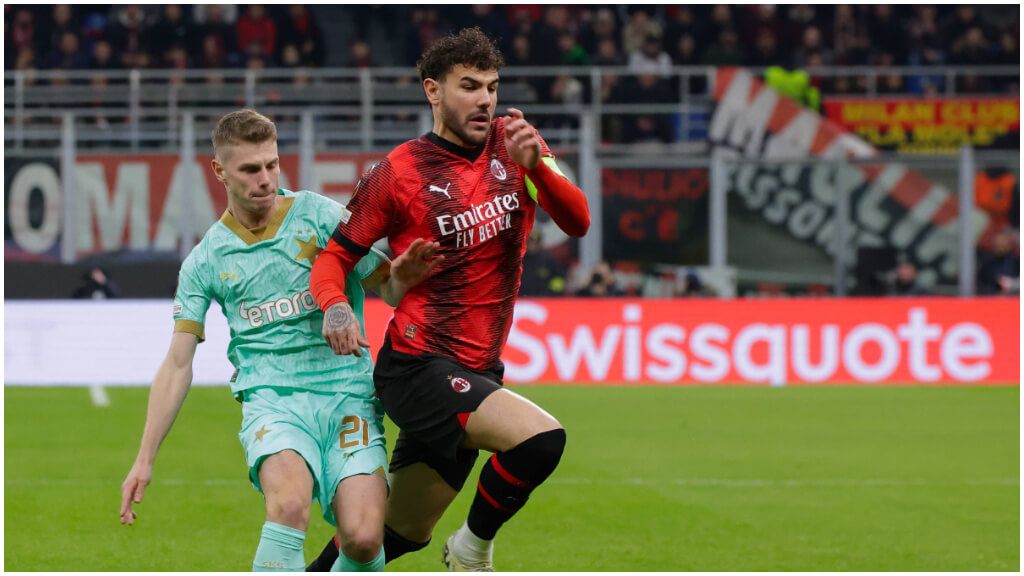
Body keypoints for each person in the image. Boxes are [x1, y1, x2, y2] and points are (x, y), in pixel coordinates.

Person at [307, 27, 590, 572]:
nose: (485, 98)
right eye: (469, 86)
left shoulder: (519, 142)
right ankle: (470, 550)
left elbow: (577, 221)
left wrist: (537, 168)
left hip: (478, 369)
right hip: (416, 367)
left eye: (491, 85)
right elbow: (333, 258)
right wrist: (335, 306)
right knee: (540, 441)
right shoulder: (398, 172)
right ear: (433, 91)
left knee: (396, 533)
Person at [118, 109, 441, 572]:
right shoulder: (205, 260)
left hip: (348, 394)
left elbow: (386, 287)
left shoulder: (321, 216)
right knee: (289, 505)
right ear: (219, 170)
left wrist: (402, 277)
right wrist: (144, 458)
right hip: (274, 401)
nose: (266, 179)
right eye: (250, 169)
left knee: (366, 538)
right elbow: (176, 363)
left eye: (272, 164)